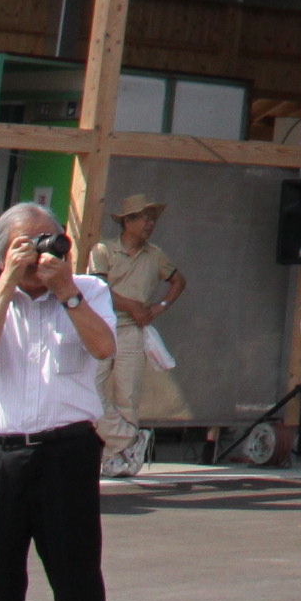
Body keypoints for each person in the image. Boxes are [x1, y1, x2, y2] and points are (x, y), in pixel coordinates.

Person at [0, 203, 115, 601]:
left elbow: (103, 349)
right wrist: (7, 283)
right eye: (25, 245)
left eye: (50, 241)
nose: (41, 255)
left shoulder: (89, 291)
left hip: (66, 454)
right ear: (0, 253)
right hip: (0, 456)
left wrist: (67, 292)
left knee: (77, 578)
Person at [83, 193, 187, 456]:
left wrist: (158, 308)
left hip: (132, 331)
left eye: (153, 219)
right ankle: (128, 439)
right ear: (128, 221)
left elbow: (178, 281)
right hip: (102, 327)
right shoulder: (103, 249)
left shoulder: (156, 255)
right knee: (89, 387)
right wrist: (134, 307)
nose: (150, 224)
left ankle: (119, 455)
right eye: (144, 218)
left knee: (127, 395)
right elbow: (99, 288)